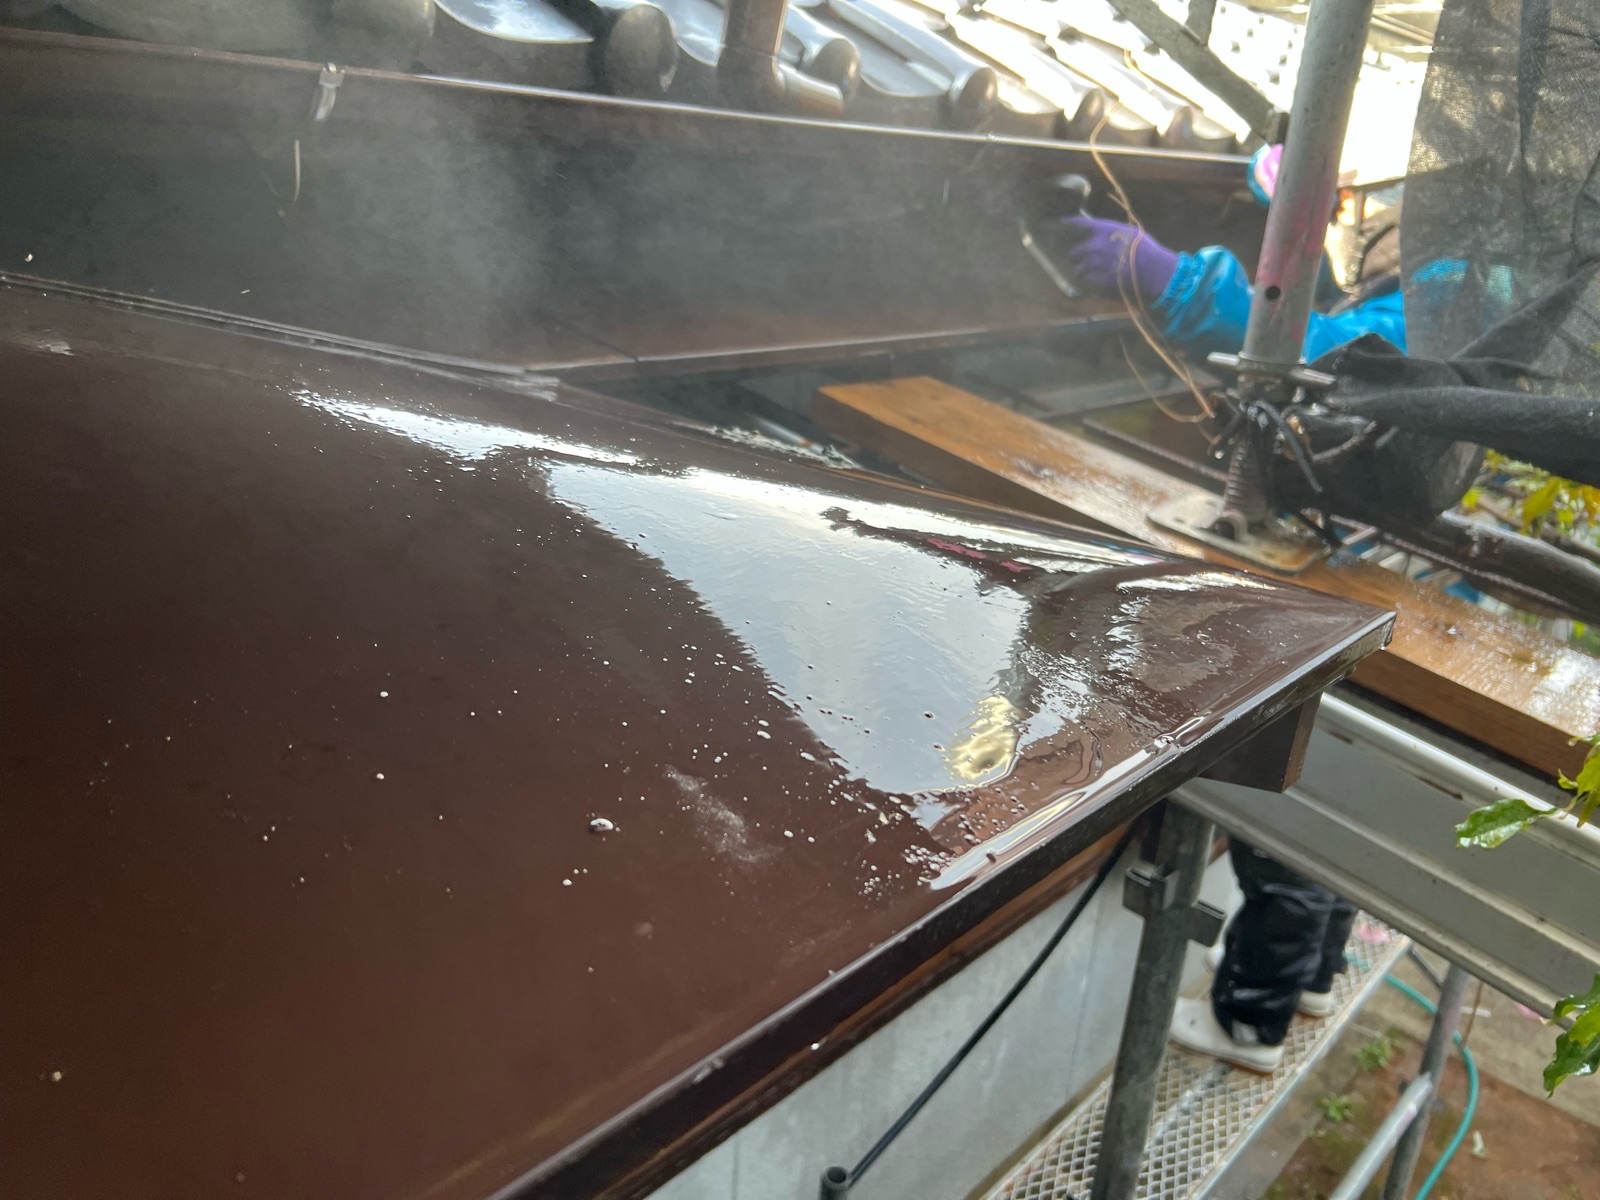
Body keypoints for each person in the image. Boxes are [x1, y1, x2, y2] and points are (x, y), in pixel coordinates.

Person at [1058, 145, 1372, 1073]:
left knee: (1293, 841)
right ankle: (1314, 981)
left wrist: (1173, 277)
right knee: (1337, 837)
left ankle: (1249, 1023)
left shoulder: (1441, 287)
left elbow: (1328, 352)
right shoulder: (1482, 286)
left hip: (1350, 596)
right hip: (1370, 590)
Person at [1059, 144, 1407, 363]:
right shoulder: (1391, 263)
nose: (1333, 220)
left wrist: (1181, 288)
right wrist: (1270, 171)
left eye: (1339, 202)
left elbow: (1340, 356)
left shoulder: (1427, 300)